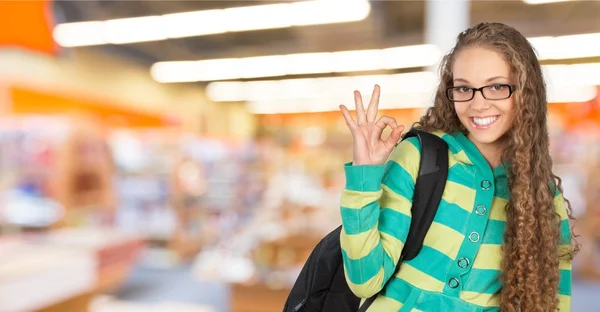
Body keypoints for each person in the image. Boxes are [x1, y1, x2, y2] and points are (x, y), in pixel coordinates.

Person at [338, 22, 578, 312]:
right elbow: (365, 281)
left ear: (527, 93)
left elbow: (554, 302)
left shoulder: (542, 194)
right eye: (464, 88)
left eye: (497, 86)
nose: (478, 104)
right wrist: (364, 177)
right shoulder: (419, 156)